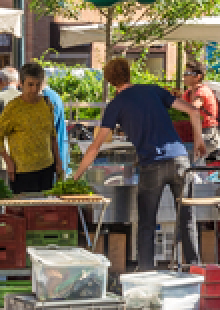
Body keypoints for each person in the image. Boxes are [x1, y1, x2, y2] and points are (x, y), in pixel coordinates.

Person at [80, 57, 210, 272]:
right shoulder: (153, 90)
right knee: (187, 218)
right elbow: (194, 111)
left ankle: (147, 273)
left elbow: (95, 147)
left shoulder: (116, 105)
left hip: (153, 165)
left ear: (110, 81)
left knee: (147, 223)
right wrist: (198, 140)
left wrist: (76, 176)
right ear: (129, 73)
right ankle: (195, 271)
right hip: (180, 160)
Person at [0, 60, 63, 193]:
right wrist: (8, 162)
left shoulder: (47, 104)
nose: (34, 89)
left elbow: (52, 136)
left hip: (47, 168)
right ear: (21, 83)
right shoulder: (13, 108)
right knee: (24, 210)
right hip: (22, 171)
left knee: (45, 209)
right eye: (30, 84)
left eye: (38, 84)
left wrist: (59, 162)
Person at [179, 61, 220, 154]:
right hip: (195, 132)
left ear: (198, 76)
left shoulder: (202, 91)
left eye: (187, 73)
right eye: (184, 73)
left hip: (209, 135)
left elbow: (193, 109)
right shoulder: (188, 93)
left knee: (187, 154)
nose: (184, 76)